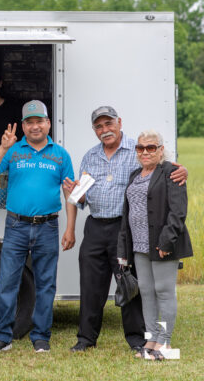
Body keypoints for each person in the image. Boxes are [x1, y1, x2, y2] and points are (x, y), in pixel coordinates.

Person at [63, 106, 188, 353]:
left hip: (125, 228)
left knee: (131, 286)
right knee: (90, 286)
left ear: (119, 122)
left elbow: (166, 167)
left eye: (108, 124)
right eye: (99, 126)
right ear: (94, 130)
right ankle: (86, 339)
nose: (104, 130)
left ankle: (138, 339)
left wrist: (182, 169)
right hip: (96, 227)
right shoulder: (90, 156)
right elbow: (81, 199)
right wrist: (74, 193)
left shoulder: (137, 148)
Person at [0, 100, 77, 354]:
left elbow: (70, 194)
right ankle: (3, 337)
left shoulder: (60, 154)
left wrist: (70, 229)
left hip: (48, 226)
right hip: (16, 226)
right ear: (23, 126)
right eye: (29, 122)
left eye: (39, 121)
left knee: (46, 284)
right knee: (7, 282)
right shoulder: (13, 151)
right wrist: (3, 148)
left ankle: (41, 337)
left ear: (48, 123)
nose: (35, 126)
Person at [117, 130, 192, 361]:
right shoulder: (134, 175)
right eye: (141, 148)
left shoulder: (172, 172)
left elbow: (178, 212)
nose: (145, 152)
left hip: (161, 246)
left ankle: (164, 341)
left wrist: (166, 242)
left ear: (160, 150)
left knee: (164, 292)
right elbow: (126, 215)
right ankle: (151, 338)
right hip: (139, 246)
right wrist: (123, 250)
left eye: (151, 147)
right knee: (147, 293)